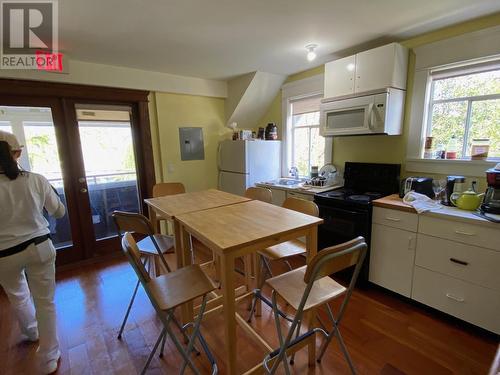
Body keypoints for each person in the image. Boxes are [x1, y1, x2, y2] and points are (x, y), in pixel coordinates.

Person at [0, 130, 65, 374]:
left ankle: (31, 331)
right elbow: (58, 212)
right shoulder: (35, 179)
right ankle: (49, 357)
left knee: (17, 294)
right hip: (39, 246)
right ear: (16, 153)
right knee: (45, 302)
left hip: (3, 254)